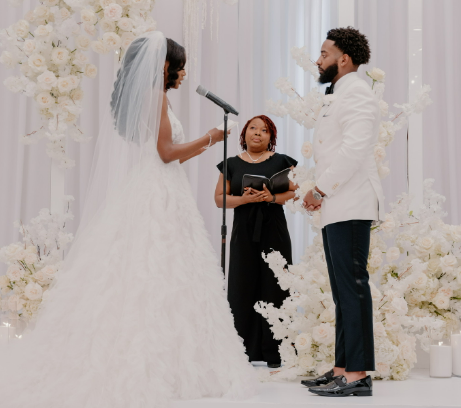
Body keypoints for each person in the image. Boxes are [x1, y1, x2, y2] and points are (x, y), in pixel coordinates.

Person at [0, 32, 257, 407]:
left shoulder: (155, 97)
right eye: (181, 66)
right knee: (155, 267)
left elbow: (170, 155)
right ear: (164, 65)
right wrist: (210, 137)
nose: (185, 73)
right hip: (158, 191)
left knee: (159, 269)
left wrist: (208, 143)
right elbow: (166, 152)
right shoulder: (156, 97)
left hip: (161, 184)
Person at [301, 27, 385, 398]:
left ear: (344, 59)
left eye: (324, 54)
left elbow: (354, 150)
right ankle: (341, 368)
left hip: (350, 201)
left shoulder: (358, 93)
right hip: (337, 204)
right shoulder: (340, 93)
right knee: (342, 292)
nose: (318, 60)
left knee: (352, 288)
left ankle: (357, 375)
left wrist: (320, 189)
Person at [214, 115, 297, 368]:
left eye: (264, 130)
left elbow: (295, 191)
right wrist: (245, 199)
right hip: (243, 231)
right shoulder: (231, 164)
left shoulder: (282, 161)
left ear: (271, 137)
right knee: (242, 285)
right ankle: (242, 352)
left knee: (276, 285)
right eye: (253, 128)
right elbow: (219, 199)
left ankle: (277, 352)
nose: (258, 133)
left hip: (274, 229)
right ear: (244, 134)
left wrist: (271, 197)